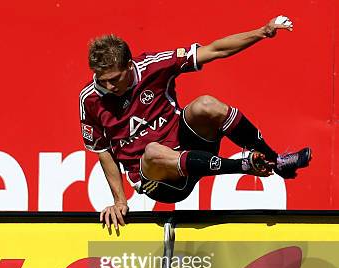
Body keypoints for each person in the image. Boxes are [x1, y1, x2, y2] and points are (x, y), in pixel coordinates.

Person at [79, 16, 311, 234]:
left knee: (205, 105)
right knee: (152, 151)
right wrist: (120, 201)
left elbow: (214, 50)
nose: (108, 86)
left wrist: (262, 32)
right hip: (161, 180)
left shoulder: (154, 66)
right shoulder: (89, 99)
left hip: (190, 147)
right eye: (102, 80)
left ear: (129, 65)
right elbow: (103, 151)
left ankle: (276, 161)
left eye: (114, 79)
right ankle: (242, 166)